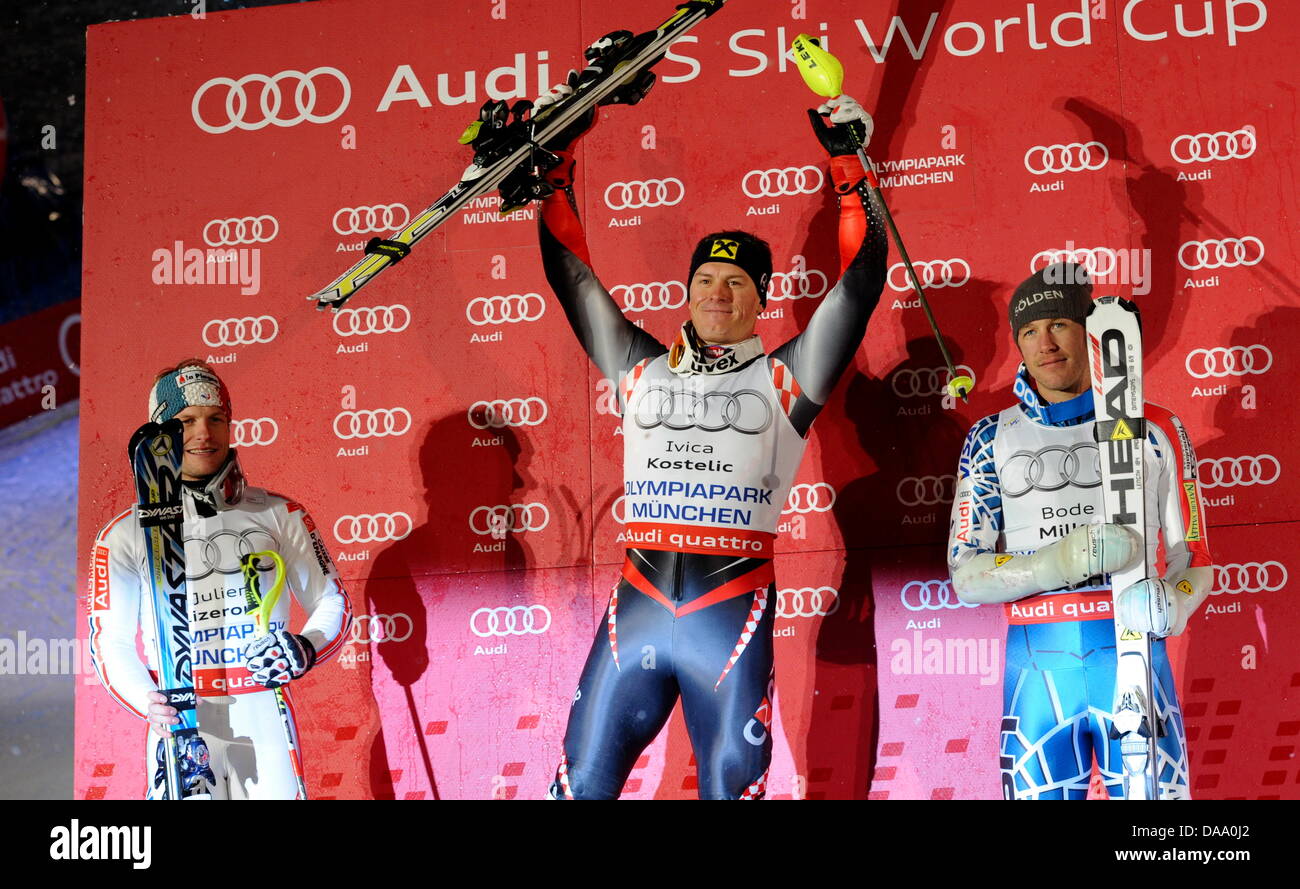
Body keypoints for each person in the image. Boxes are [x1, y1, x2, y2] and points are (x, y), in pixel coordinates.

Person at [532, 80, 888, 798]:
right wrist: (557, 167)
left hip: (730, 616)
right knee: (578, 783)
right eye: (705, 278)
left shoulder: (786, 379)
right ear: (686, 290)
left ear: (762, 297)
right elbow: (571, 272)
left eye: (736, 281)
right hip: (634, 608)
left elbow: (861, 278)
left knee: (731, 783)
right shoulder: (640, 369)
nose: (717, 292)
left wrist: (852, 173)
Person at [946, 265, 1214, 799]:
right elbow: (966, 573)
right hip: (1036, 675)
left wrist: (1177, 601)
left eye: (1058, 325)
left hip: (1134, 655)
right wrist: (1059, 563)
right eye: (1028, 331)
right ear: (1017, 344)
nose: (1045, 343)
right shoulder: (989, 437)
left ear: (1087, 332)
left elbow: (1197, 558)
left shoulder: (1159, 426)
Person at [89, 359, 352, 799]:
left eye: (216, 419)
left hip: (261, 707)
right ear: (160, 431)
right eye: (186, 421)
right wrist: (145, 701)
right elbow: (110, 641)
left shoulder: (279, 513)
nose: (203, 434)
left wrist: (304, 647)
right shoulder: (123, 535)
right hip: (182, 717)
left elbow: (332, 603)